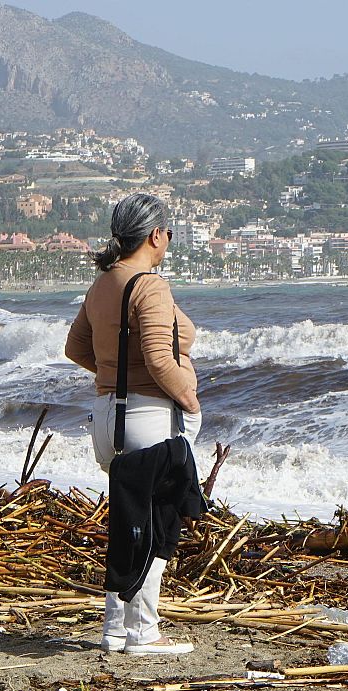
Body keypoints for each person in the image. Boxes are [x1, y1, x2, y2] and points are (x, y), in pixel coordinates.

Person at [65, 193, 201, 656]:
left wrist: (113, 377)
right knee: (157, 524)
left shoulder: (101, 285)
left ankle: (114, 629)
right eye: (169, 233)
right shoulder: (150, 285)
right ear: (156, 234)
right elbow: (160, 359)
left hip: (107, 418)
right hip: (149, 419)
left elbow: (76, 349)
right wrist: (190, 398)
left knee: (131, 523)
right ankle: (143, 631)